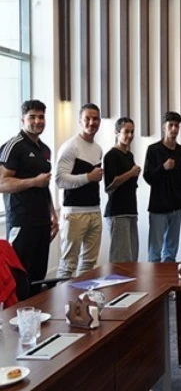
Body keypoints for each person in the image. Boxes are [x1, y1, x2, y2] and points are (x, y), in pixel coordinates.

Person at [0, 100, 57, 299]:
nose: (37, 121)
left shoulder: (45, 149)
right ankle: (18, 317)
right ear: (22, 119)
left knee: (38, 277)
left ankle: (37, 315)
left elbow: (45, 185)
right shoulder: (13, 146)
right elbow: (2, 183)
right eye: (32, 117)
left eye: (41, 117)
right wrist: (34, 181)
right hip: (22, 221)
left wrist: (53, 215)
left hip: (42, 221)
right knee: (19, 277)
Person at [55, 103, 104, 278]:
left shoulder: (98, 149)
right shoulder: (70, 146)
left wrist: (91, 178)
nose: (91, 123)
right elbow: (60, 180)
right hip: (74, 213)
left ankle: (85, 296)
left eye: (95, 119)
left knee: (89, 264)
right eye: (87, 119)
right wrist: (88, 177)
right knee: (68, 265)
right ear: (80, 121)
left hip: (95, 211)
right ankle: (62, 297)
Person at [144, 111, 181, 262]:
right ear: (164, 127)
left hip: (176, 206)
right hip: (159, 206)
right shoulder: (153, 150)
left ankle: (168, 276)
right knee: (155, 250)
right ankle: (153, 277)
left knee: (171, 251)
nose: (174, 129)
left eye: (177, 126)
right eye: (171, 125)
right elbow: (148, 176)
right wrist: (162, 168)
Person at [103, 117, 140, 263]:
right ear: (117, 132)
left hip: (131, 209)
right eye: (126, 132)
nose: (130, 136)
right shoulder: (111, 156)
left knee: (132, 256)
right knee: (121, 258)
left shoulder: (129, 155)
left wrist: (134, 175)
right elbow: (110, 186)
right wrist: (131, 173)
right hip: (117, 212)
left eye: (132, 132)